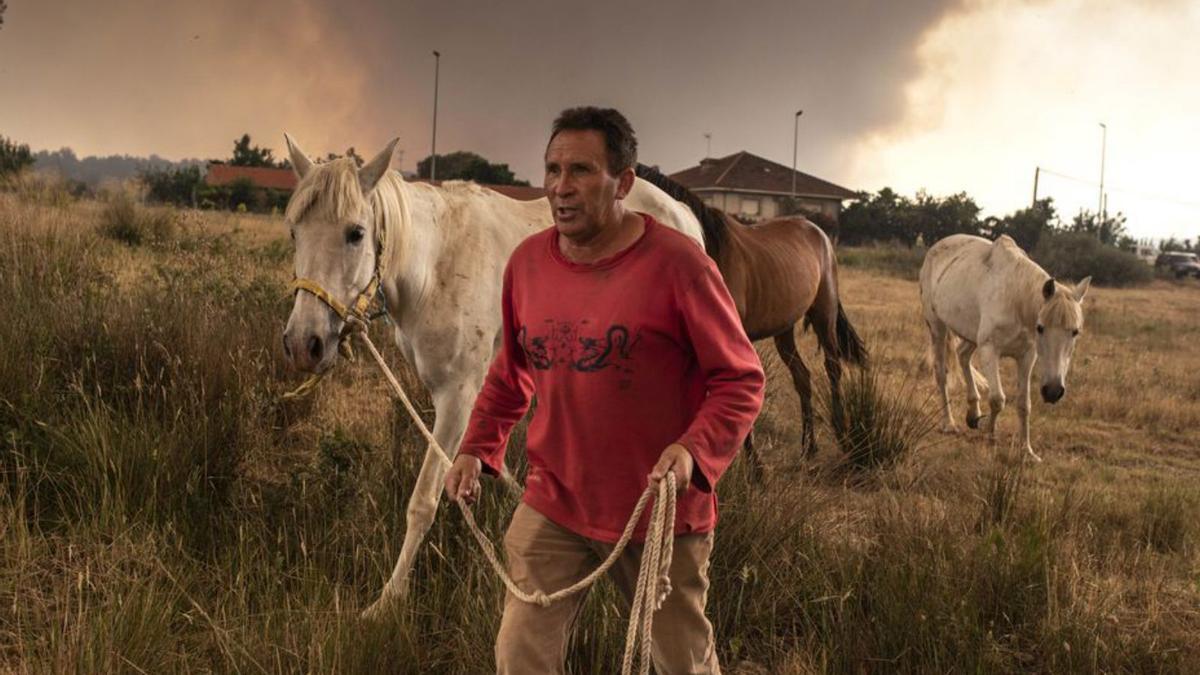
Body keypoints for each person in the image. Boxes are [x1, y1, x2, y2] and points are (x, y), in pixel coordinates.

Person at [444, 106, 764, 675]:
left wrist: (693, 451)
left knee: (681, 664)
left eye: (582, 171)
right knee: (520, 655)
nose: (561, 188)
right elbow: (511, 371)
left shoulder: (679, 265)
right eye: (552, 170)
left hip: (656, 513)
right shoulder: (525, 265)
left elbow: (740, 379)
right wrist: (475, 448)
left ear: (624, 183)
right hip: (555, 500)